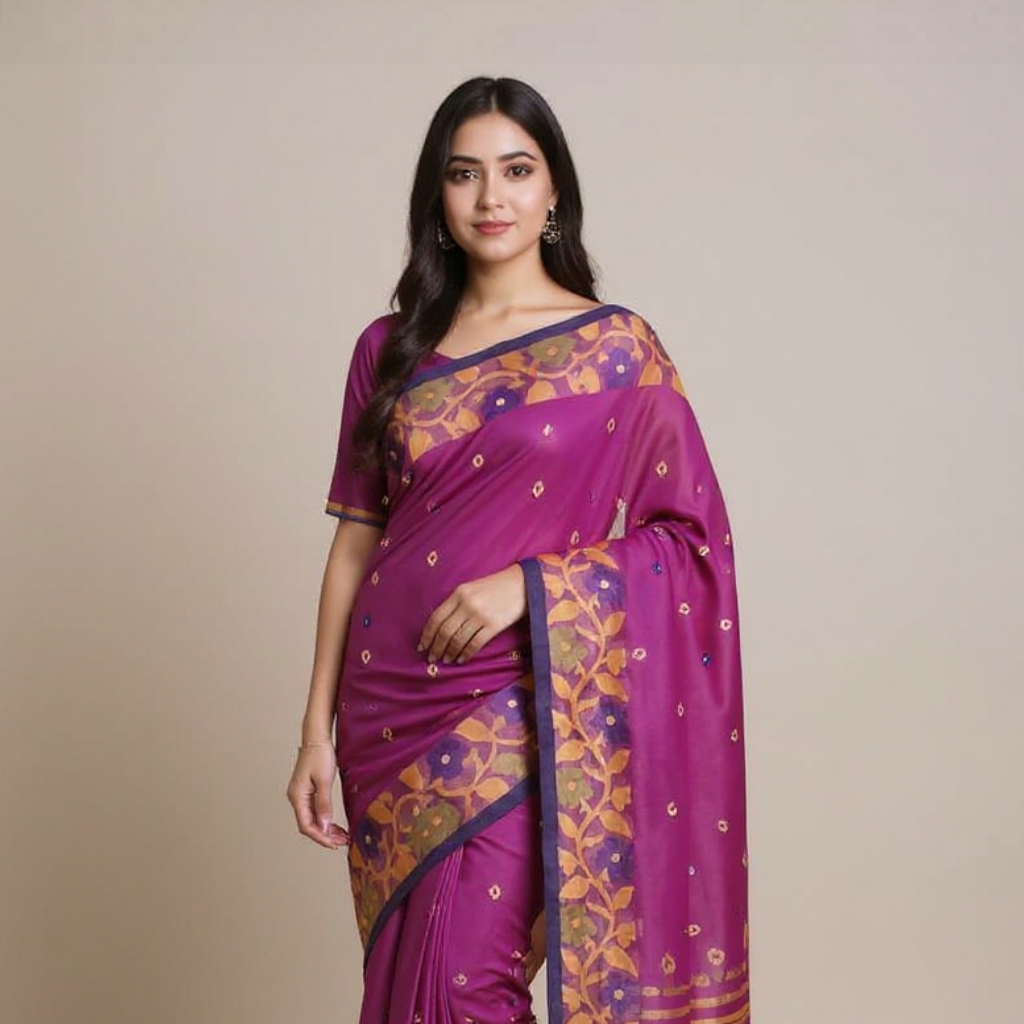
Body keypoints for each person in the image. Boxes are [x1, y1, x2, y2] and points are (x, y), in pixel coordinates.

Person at [286, 76, 750, 1024]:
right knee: (407, 986)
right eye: (465, 174)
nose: (491, 197)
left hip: (519, 698)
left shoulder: (618, 351)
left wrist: (528, 587)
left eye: (516, 170)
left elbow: (691, 543)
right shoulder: (389, 349)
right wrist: (313, 734)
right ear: (437, 196)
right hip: (386, 712)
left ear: (553, 192)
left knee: (464, 985)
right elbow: (356, 541)